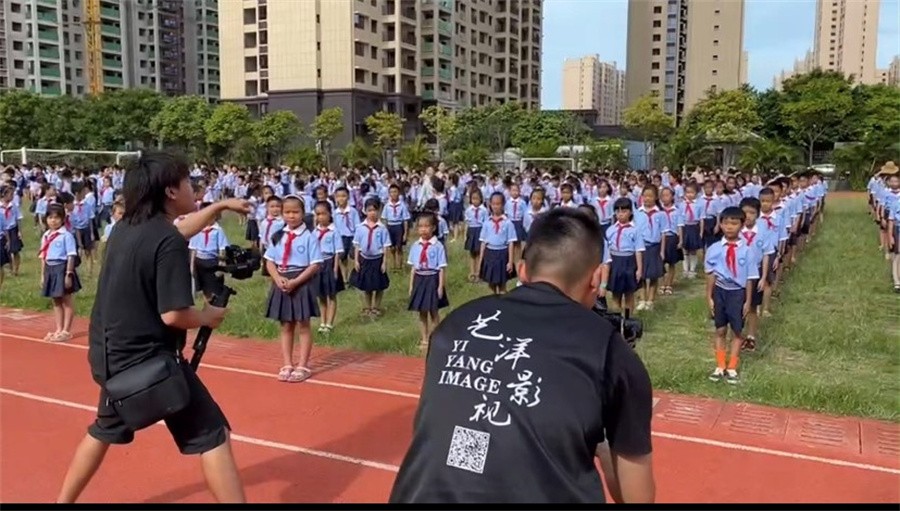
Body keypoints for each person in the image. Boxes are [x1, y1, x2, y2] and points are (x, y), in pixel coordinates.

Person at [389, 207, 655, 504]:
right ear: (595, 279)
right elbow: (637, 498)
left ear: (522, 270)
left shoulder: (455, 324)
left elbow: (461, 440)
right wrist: (604, 449)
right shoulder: (608, 349)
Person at [56, 152, 249, 504]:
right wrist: (207, 316)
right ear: (171, 191)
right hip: (148, 362)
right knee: (213, 434)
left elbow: (176, 232)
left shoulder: (125, 228)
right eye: (188, 182)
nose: (194, 188)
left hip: (111, 356)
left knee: (103, 429)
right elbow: (173, 315)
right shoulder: (167, 242)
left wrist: (219, 206)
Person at [264, 194, 323, 383]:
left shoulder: (309, 237)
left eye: (295, 212)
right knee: (286, 325)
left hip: (301, 281)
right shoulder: (278, 235)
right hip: (281, 281)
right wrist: (277, 278)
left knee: (303, 324)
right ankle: (288, 363)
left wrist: (296, 282)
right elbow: (269, 261)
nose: (291, 216)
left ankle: (303, 365)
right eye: (287, 212)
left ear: (303, 213)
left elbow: (315, 264)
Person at [704, 206, 760, 385]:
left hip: (737, 293)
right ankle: (720, 365)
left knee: (737, 331)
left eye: (734, 223)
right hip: (720, 291)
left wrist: (748, 301)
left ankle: (732, 367)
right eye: (726, 223)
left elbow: (750, 278)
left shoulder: (747, 251)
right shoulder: (714, 248)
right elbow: (710, 275)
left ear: (742, 225)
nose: (729, 227)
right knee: (720, 330)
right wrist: (709, 297)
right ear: (720, 224)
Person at [407, 211, 449, 352]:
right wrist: (411, 285)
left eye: (426, 226)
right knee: (422, 312)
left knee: (434, 311)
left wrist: (440, 286)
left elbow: (441, 268)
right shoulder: (415, 246)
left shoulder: (438, 246)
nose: (423, 229)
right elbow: (413, 268)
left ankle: (436, 337)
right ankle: (424, 339)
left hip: (432, 279)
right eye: (420, 226)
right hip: (420, 279)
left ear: (433, 228)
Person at [39, 203, 81, 343]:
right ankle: (58, 328)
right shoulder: (46, 236)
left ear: (63, 219)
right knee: (56, 300)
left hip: (62, 268)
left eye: (57, 218)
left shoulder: (66, 236)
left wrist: (69, 274)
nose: (53, 221)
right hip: (50, 269)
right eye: (50, 217)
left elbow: (71, 255)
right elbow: (43, 256)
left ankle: (66, 330)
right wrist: (43, 275)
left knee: (66, 300)